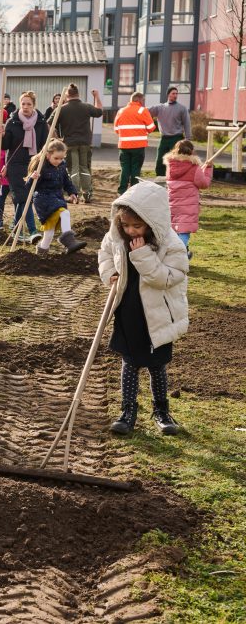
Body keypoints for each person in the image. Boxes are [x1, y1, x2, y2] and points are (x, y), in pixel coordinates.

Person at [99, 181, 189, 436]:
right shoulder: (117, 238)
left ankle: (161, 411)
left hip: (158, 314)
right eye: (125, 225)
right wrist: (110, 274)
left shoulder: (170, 244)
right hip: (129, 310)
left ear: (152, 221)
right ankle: (128, 411)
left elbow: (167, 278)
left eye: (136, 226)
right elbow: (104, 254)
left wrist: (143, 257)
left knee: (156, 364)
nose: (130, 231)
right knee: (129, 361)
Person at [0, 91, 46, 242]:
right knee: (24, 197)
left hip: (33, 164)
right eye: (23, 104)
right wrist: (0, 134)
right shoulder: (13, 122)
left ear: (34, 105)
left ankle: (14, 227)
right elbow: (5, 146)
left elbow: (44, 145)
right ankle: (32, 231)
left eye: (29, 104)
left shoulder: (41, 123)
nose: (25, 107)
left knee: (24, 198)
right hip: (15, 165)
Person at [29, 139, 86, 254]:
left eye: (62, 158)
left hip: (57, 198)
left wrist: (72, 192)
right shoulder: (41, 167)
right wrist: (33, 178)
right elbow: (30, 188)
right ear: (48, 155)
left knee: (49, 233)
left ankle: (41, 252)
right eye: (56, 158)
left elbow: (66, 181)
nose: (59, 161)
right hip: (43, 200)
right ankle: (69, 242)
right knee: (64, 213)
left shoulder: (61, 166)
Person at [54, 84, 103, 203]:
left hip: (69, 143)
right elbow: (99, 111)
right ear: (78, 94)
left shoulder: (61, 108)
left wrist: (57, 139)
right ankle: (87, 194)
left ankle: (73, 195)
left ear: (67, 95)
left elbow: (49, 124)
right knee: (84, 168)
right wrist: (96, 96)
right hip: (85, 142)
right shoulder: (86, 107)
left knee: (72, 169)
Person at [164, 138, 213, 258]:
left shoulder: (171, 166)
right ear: (191, 152)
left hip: (173, 204)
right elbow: (204, 184)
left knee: (174, 230)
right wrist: (208, 169)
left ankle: (180, 252)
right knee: (184, 232)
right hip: (188, 206)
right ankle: (179, 255)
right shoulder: (195, 168)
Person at [114, 91, 156, 195]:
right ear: (139, 100)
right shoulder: (143, 110)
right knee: (136, 169)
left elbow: (116, 129)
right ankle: (134, 193)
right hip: (138, 146)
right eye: (143, 100)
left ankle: (121, 191)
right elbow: (151, 128)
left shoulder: (121, 111)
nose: (144, 102)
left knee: (125, 169)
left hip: (124, 146)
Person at [149, 87, 192, 178]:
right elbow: (145, 112)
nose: (175, 95)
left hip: (176, 138)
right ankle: (160, 178)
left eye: (176, 94)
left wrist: (188, 139)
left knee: (175, 160)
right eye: (173, 93)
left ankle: (175, 178)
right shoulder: (160, 108)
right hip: (164, 138)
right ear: (168, 94)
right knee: (160, 160)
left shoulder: (182, 108)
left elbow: (187, 123)